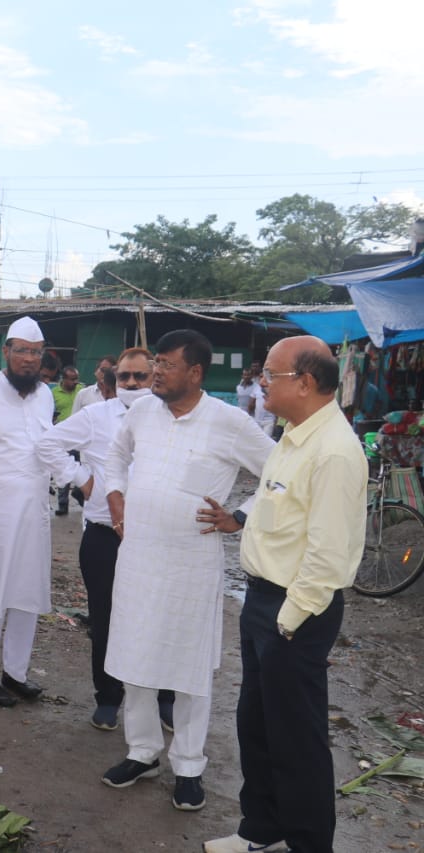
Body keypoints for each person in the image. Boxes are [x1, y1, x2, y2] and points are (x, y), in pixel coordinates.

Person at [202, 337, 366, 853]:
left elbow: (328, 552)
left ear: (306, 383)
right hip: (263, 600)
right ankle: (261, 829)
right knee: (257, 723)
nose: (261, 381)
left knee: (296, 737)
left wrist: (289, 620)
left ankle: (310, 843)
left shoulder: (335, 451)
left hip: (296, 609)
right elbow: (274, 503)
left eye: (271, 373)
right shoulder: (294, 437)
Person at [101, 329, 275, 813]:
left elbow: (283, 473)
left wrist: (239, 517)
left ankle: (189, 766)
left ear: (195, 373)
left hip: (191, 565)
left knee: (189, 666)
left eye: (166, 365)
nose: (156, 372)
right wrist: (115, 497)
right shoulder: (141, 411)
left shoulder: (230, 422)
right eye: (155, 362)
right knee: (135, 656)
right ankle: (142, 752)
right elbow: (114, 455)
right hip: (138, 557)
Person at [35, 347, 172, 731]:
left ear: (154, 377)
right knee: (106, 619)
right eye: (123, 377)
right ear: (112, 381)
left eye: (139, 377)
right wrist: (82, 480)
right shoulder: (96, 416)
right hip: (103, 535)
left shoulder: (171, 417)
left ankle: (164, 698)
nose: (130, 383)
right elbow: (47, 444)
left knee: (156, 619)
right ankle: (108, 698)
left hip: (156, 536)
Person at [0, 316, 74, 707]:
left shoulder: (44, 395)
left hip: (34, 511)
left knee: (26, 593)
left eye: (35, 352)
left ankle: (15, 672)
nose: (28, 359)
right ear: (6, 352)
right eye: (21, 351)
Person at [51, 366, 82, 515]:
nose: (75, 382)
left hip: (82, 437)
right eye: (72, 379)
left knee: (86, 468)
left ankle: (81, 495)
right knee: (64, 471)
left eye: (77, 378)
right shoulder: (54, 393)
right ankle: (63, 504)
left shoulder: (82, 391)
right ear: (63, 379)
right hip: (63, 439)